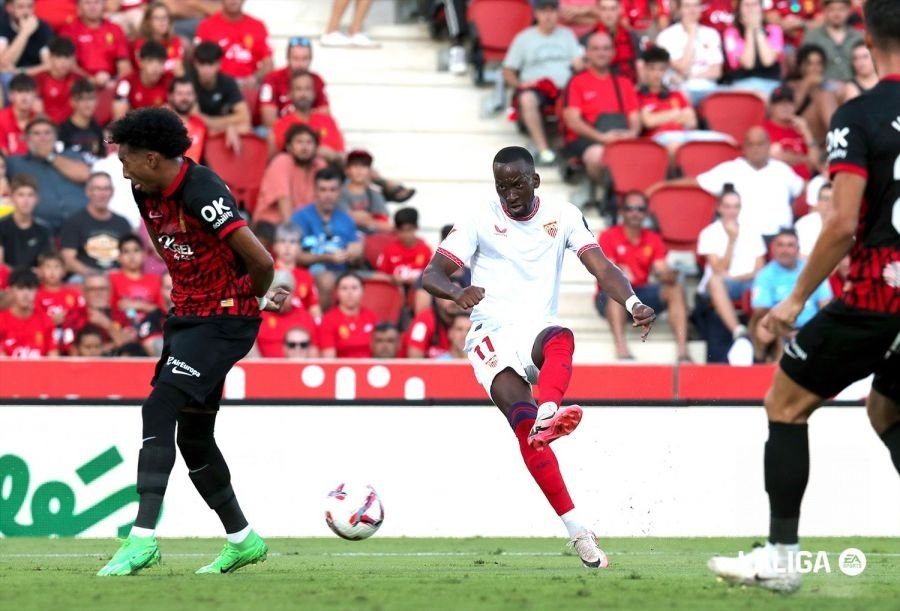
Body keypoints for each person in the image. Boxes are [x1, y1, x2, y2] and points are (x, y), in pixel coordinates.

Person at [708, 3, 900, 581]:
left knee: (785, 406)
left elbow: (841, 224)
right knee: (888, 407)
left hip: (879, 292)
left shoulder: (859, 115)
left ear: (866, 36)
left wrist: (793, 300)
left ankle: (782, 559)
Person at [422, 146, 656, 569]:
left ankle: (550, 410)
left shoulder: (564, 215)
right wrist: (458, 292)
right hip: (489, 335)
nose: (509, 194)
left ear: (535, 181)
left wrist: (634, 303)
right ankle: (579, 533)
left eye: (516, 184)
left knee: (560, 337)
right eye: (501, 186)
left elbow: (602, 268)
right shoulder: (479, 217)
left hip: (533, 328)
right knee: (525, 430)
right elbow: (431, 273)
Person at [95, 107, 289, 577]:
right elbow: (168, 247)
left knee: (158, 408)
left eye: (128, 161)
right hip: (187, 318)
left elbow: (259, 257)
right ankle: (243, 540)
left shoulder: (202, 189)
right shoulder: (145, 190)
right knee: (195, 438)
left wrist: (258, 296)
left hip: (225, 320)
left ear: (156, 158)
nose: (123, 171)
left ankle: (141, 539)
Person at [662, 126, 805, 240]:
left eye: (760, 144)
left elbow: (803, 188)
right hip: (744, 240)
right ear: (743, 147)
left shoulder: (782, 169)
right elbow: (696, 182)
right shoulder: (730, 169)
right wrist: (662, 186)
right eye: (751, 144)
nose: (756, 149)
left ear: (768, 145)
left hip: (780, 239)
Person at [596, 191, 691, 361]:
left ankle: (683, 352)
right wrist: (620, 273)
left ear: (646, 213)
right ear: (622, 212)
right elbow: (605, 271)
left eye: (640, 209)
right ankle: (621, 349)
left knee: (674, 288)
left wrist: (670, 275)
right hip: (611, 295)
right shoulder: (608, 236)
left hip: (640, 293)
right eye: (630, 208)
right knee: (617, 289)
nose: (635, 213)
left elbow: (661, 269)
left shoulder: (653, 238)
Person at [502, 0, 584, 166]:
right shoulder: (524, 38)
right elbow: (508, 70)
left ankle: (572, 151)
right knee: (527, 99)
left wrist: (580, 67)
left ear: (557, 12)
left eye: (552, 10)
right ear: (536, 13)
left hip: (565, 88)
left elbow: (578, 62)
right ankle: (543, 149)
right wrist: (519, 85)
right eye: (543, 10)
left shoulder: (567, 35)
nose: (548, 15)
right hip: (536, 88)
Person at [561, 30, 640, 184]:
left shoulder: (625, 83)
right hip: (588, 140)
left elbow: (635, 118)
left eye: (606, 48)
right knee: (598, 155)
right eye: (596, 49)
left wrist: (632, 134)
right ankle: (608, 195)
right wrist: (602, 138)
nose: (601, 53)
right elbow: (573, 121)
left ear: (613, 52)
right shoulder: (577, 82)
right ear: (587, 53)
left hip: (622, 138)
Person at [695, 188, 766, 348]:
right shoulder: (709, 233)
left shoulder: (752, 231)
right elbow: (719, 269)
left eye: (736, 206)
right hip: (722, 284)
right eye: (727, 206)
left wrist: (738, 277)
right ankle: (738, 330)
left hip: (748, 282)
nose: (732, 211)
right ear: (719, 208)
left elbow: (760, 269)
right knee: (715, 281)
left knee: (768, 283)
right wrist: (732, 240)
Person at [749, 227, 833, 361]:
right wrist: (788, 333)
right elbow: (761, 312)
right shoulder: (764, 275)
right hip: (780, 331)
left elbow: (825, 305)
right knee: (764, 328)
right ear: (773, 249)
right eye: (780, 245)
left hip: (811, 329)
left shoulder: (814, 271)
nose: (785, 250)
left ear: (798, 249)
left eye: (790, 245)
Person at [637, 46, 729, 156]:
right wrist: (676, 114)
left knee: (725, 141)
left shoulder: (676, 94)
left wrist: (660, 117)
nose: (657, 74)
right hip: (660, 138)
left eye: (661, 69)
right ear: (645, 69)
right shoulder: (638, 95)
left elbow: (692, 122)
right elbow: (648, 122)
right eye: (652, 68)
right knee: (675, 145)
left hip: (685, 135)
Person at [291, 167, 362, 309]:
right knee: (326, 279)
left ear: (339, 191)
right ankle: (322, 325)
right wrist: (327, 258)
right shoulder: (300, 218)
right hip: (307, 272)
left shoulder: (346, 219)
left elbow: (357, 260)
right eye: (323, 190)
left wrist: (356, 252)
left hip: (342, 273)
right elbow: (294, 256)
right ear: (315, 191)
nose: (328, 195)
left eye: (332, 190)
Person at [6, 118, 91, 233]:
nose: (42, 137)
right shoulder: (15, 162)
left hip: (79, 223)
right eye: (36, 133)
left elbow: (84, 175)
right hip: (39, 228)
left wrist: (50, 156)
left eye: (47, 132)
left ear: (55, 137)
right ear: (26, 138)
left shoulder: (71, 155)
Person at [59, 172, 133, 275]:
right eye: (98, 189)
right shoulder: (74, 222)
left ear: (112, 192)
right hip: (84, 277)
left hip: (117, 277)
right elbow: (68, 260)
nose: (102, 194)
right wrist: (94, 275)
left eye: (106, 189)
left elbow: (132, 256)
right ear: (88, 192)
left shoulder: (123, 223)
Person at [254, 123, 327, 225]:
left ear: (316, 147)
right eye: (299, 142)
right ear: (289, 147)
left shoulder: (320, 165)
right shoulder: (281, 161)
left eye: (309, 142)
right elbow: (285, 206)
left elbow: (327, 202)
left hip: (308, 226)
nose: (304, 147)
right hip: (273, 224)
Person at [654, 0, 724, 106]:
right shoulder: (666, 37)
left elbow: (716, 72)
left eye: (696, 6)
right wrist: (691, 34)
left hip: (709, 90)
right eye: (687, 6)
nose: (692, 10)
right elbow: (683, 68)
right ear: (678, 10)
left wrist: (690, 76)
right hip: (681, 92)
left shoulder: (711, 34)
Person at [189, 41, 251, 152]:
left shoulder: (228, 82)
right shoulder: (187, 82)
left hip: (220, 132)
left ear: (219, 64)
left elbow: (244, 116)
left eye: (211, 64)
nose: (206, 69)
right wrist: (225, 126)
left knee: (245, 128)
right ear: (195, 64)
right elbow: (190, 119)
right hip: (195, 134)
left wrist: (213, 124)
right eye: (202, 64)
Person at [193, 0, 272, 86]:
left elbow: (268, 62)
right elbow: (197, 60)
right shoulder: (206, 26)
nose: (233, 1)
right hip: (217, 85)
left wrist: (255, 78)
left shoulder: (258, 26)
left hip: (250, 84)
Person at [270, 71, 344, 162]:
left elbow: (342, 156)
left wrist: (332, 155)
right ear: (290, 94)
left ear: (314, 93)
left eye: (307, 89)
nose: (303, 94)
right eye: (298, 89)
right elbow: (276, 161)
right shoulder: (280, 125)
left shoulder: (329, 121)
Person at [258, 36, 329, 128]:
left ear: (310, 59)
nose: (300, 64)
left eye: (304, 59)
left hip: (308, 133)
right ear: (287, 58)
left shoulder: (317, 80)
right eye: (295, 58)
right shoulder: (272, 79)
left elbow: (325, 116)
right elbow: (269, 121)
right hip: (277, 130)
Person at [59, 0, 131, 89]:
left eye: (97, 2)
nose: (92, 7)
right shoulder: (69, 30)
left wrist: (115, 83)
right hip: (80, 85)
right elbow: (69, 64)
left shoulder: (115, 29)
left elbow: (123, 64)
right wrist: (91, 80)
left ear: (104, 5)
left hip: (111, 82)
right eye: (87, 3)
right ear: (79, 6)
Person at [722, 0, 784, 96]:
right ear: (739, 9)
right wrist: (749, 29)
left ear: (761, 8)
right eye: (746, 5)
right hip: (743, 84)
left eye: (755, 4)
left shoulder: (774, 30)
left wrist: (758, 28)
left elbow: (768, 61)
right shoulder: (731, 33)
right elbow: (748, 63)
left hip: (771, 83)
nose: (751, 9)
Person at [255, 269, 319, 358]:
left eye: (286, 292)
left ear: (293, 294)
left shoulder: (305, 317)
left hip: (297, 367)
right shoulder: (257, 316)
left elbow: (314, 351)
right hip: (263, 368)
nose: (282, 297)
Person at [784, 44, 838, 147]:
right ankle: (837, 142)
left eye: (819, 64)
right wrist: (806, 84)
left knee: (827, 95)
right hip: (799, 133)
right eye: (809, 64)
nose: (815, 68)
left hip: (822, 134)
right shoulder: (791, 85)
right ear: (800, 66)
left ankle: (837, 141)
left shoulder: (827, 87)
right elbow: (790, 109)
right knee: (825, 96)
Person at [763, 84, 821, 181]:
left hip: (805, 182)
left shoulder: (800, 129)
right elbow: (774, 156)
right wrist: (806, 160)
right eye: (780, 103)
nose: (785, 107)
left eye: (789, 103)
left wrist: (806, 131)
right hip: (778, 181)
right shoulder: (764, 129)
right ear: (772, 107)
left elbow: (815, 162)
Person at [801, 0, 863, 84]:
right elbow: (804, 67)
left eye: (841, 9)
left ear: (848, 11)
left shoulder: (859, 37)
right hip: (821, 88)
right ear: (824, 11)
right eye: (832, 9)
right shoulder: (812, 37)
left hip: (854, 88)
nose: (837, 14)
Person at [0, 267, 57, 357]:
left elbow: (53, 357)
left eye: (30, 288)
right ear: (10, 290)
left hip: (40, 370)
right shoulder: (2, 321)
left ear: (37, 291)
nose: (25, 294)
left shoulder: (45, 320)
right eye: (20, 288)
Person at [318, 271, 377, 358]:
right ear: (337, 293)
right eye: (344, 288)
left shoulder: (371, 317)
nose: (350, 293)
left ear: (363, 291)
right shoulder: (328, 319)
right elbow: (329, 358)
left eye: (354, 288)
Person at [271, 223, 321, 318]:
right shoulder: (267, 273)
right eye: (282, 241)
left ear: (299, 248)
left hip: (301, 326)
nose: (287, 246)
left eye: (292, 242)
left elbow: (315, 310)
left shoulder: (306, 275)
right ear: (275, 246)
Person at [0, 173, 51, 268]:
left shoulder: (44, 230)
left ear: (37, 199)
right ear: (12, 197)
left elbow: (45, 265)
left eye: (30, 195)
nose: (26, 200)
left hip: (34, 280)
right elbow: (0, 265)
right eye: (21, 195)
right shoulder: (1, 227)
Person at [112, 40, 171, 121]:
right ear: (141, 62)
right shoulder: (126, 83)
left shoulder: (168, 85)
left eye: (160, 62)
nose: (155, 68)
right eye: (150, 61)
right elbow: (119, 119)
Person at [376, 207, 432, 289]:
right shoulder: (389, 249)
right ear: (396, 230)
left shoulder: (425, 250)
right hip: (394, 290)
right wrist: (392, 279)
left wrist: (419, 280)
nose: (406, 234)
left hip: (419, 291)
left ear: (416, 227)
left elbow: (433, 275)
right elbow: (380, 275)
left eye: (409, 229)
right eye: (402, 230)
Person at [337, 148, 390, 233]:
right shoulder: (339, 193)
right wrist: (369, 219)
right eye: (355, 166)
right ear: (347, 170)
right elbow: (343, 220)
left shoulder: (375, 193)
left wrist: (367, 221)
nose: (359, 170)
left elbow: (386, 225)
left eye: (363, 166)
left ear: (369, 171)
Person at [57, 78, 106, 165]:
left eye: (91, 99)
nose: (88, 104)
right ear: (72, 102)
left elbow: (101, 158)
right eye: (82, 99)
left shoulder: (97, 128)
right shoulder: (62, 130)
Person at [33, 36, 80, 126]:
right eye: (59, 57)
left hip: (71, 129)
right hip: (47, 128)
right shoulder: (40, 79)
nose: (63, 62)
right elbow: (38, 111)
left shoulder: (78, 80)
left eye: (67, 57)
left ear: (73, 59)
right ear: (50, 57)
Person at [132, 1, 184, 77]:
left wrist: (158, 68)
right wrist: (168, 67)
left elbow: (178, 69)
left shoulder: (175, 41)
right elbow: (145, 70)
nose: (162, 21)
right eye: (157, 18)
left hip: (170, 84)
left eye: (165, 17)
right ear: (148, 21)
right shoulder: (140, 43)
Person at [0, 0, 53, 73]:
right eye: (20, 7)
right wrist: (24, 33)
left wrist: (18, 71)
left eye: (30, 6)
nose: (26, 12)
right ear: (9, 8)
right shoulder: (2, 24)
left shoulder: (43, 27)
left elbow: (49, 65)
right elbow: (3, 64)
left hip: (32, 76)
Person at [35, 249, 83, 329]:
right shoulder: (35, 294)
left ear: (64, 271)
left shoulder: (74, 293)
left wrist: (68, 319)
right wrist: (50, 321)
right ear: (40, 270)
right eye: (47, 266)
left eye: (56, 267)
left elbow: (81, 317)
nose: (52, 271)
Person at [166, 76, 207, 162]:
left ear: (195, 96)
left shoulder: (200, 123)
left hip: (195, 174)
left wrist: (230, 128)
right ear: (171, 96)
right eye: (180, 93)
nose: (184, 98)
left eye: (188, 94)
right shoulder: (162, 124)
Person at [0, 73, 38, 156]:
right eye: (19, 92)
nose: (24, 97)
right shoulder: (1, 119)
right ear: (10, 95)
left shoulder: (40, 120)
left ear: (35, 95)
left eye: (28, 91)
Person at [794, 182, 831, 258]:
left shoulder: (848, 224)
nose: (829, 203)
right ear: (818, 202)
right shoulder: (804, 224)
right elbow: (801, 256)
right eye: (825, 199)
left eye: (833, 199)